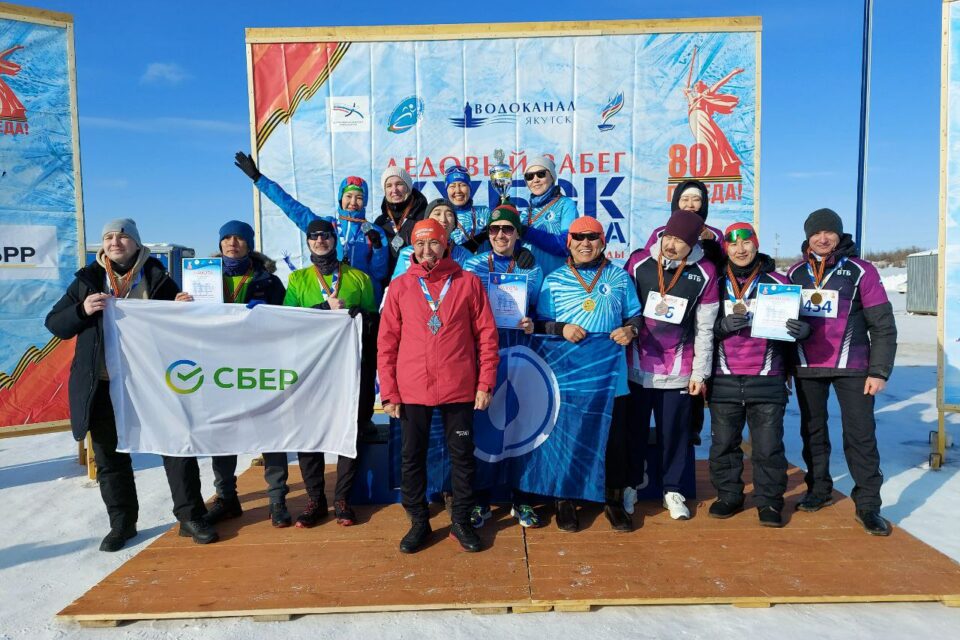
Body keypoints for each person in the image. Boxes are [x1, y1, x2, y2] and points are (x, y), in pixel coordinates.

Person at [45, 219, 218, 550]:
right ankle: (122, 524)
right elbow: (55, 324)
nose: (115, 242)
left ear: (137, 243)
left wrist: (181, 310)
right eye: (109, 237)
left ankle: (191, 516)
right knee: (109, 457)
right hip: (102, 383)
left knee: (175, 447)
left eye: (122, 237)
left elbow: (179, 330)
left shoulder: (158, 277)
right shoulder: (87, 280)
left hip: (152, 382)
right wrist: (82, 309)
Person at [378, 218, 499, 553]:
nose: (427, 250)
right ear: (412, 247)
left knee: (462, 457)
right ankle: (418, 521)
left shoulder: (467, 282)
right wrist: (389, 391)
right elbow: (386, 343)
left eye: (433, 242)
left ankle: (460, 521)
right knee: (411, 457)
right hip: (412, 388)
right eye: (420, 243)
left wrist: (485, 383)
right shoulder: (400, 286)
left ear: (446, 244)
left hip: (458, 385)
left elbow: (487, 336)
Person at [174, 220, 293, 527]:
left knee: (270, 428)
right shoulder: (201, 277)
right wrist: (180, 305)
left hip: (258, 365)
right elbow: (186, 323)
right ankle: (227, 497)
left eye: (239, 238)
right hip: (217, 366)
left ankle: (277, 498)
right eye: (226, 237)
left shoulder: (268, 280)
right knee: (222, 430)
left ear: (249, 243)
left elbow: (288, 319)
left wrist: (269, 312)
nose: (232, 243)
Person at [787, 208, 897, 536]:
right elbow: (781, 323)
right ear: (807, 237)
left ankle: (868, 505)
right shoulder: (795, 273)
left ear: (839, 235)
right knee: (813, 432)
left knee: (860, 435)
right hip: (808, 366)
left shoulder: (861, 270)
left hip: (854, 367)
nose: (823, 238)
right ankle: (818, 489)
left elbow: (883, 324)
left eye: (829, 232)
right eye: (816, 233)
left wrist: (879, 370)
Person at [535, 216, 643, 532]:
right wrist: (561, 329)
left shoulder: (620, 277)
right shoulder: (554, 279)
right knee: (569, 440)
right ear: (569, 242)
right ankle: (565, 500)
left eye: (592, 237)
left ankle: (613, 501)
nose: (586, 243)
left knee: (614, 442)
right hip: (569, 379)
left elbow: (636, 316)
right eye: (579, 237)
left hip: (611, 379)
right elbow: (539, 324)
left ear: (603, 242)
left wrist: (630, 331)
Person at [709, 222, 811, 528]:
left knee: (768, 447)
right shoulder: (714, 283)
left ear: (756, 244)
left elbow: (799, 325)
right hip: (724, 376)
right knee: (724, 445)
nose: (740, 249)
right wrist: (720, 327)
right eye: (733, 244)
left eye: (746, 242)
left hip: (767, 376)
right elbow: (697, 328)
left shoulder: (778, 283)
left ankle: (769, 501)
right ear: (726, 248)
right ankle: (729, 495)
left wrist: (803, 331)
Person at [624, 209, 719, 521]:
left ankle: (672, 490)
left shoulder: (705, 272)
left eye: (680, 241)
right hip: (636, 368)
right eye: (669, 236)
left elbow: (705, 328)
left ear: (692, 245)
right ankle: (631, 485)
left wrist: (699, 373)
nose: (671, 245)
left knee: (675, 434)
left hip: (678, 370)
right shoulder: (639, 262)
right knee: (633, 432)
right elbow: (623, 308)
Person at [283, 218, 378, 528]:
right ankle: (315, 499)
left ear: (334, 240)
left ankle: (342, 499)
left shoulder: (359, 278)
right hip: (311, 369)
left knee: (350, 430)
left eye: (325, 235)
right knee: (309, 433)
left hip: (349, 370)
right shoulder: (298, 279)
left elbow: (375, 323)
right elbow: (287, 321)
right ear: (308, 242)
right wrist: (323, 311)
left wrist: (363, 317)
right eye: (314, 236)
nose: (320, 240)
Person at [462, 204, 544, 528]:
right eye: (494, 230)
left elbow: (537, 309)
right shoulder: (472, 264)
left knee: (522, 425)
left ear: (517, 234)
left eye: (507, 229)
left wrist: (531, 321)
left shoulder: (531, 267)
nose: (500, 235)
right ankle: (481, 500)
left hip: (520, 354)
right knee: (484, 426)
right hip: (483, 355)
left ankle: (521, 498)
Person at [233, 153, 389, 303]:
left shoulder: (374, 232)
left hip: (362, 298)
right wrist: (258, 178)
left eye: (359, 197)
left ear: (365, 202)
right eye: (348, 196)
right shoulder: (327, 227)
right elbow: (292, 207)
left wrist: (378, 249)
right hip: (329, 295)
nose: (353, 202)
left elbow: (379, 273)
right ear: (341, 198)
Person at [519, 154, 579, 275]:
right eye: (529, 176)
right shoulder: (525, 213)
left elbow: (566, 245)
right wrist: (518, 251)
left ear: (552, 177)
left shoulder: (566, 205)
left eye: (541, 174)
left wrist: (527, 232)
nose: (535, 180)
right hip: (529, 280)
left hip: (555, 278)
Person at [391, 199, 474, 279]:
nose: (443, 219)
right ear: (426, 220)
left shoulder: (465, 256)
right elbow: (397, 285)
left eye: (449, 215)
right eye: (437, 214)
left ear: (454, 224)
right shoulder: (407, 254)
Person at [375, 166, 428, 278]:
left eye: (399, 184)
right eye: (389, 186)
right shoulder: (380, 222)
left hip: (417, 281)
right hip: (387, 283)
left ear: (408, 187)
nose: (394, 190)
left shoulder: (424, 217)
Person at [444, 164, 490, 252]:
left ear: (470, 188)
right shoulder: (442, 216)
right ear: (447, 190)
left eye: (462, 185)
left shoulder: (484, 212)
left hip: (484, 260)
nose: (458, 191)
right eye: (452, 186)